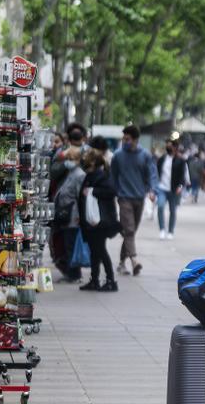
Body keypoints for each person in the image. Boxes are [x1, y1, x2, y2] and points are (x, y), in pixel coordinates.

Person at [111, 125, 158, 276]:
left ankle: (121, 263)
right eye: (124, 139)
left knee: (130, 232)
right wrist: (116, 193)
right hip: (124, 198)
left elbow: (151, 173)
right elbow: (113, 176)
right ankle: (134, 261)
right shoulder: (117, 155)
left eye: (128, 139)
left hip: (139, 197)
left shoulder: (144, 155)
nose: (125, 142)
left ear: (136, 140)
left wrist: (151, 190)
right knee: (129, 230)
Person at [78, 149, 121, 292]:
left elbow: (111, 191)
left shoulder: (101, 176)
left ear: (94, 163)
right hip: (93, 221)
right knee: (95, 251)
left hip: (100, 221)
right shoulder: (93, 175)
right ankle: (95, 279)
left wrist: (92, 191)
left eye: (87, 161)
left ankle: (110, 280)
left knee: (100, 250)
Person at [53, 147, 86, 283]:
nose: (68, 162)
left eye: (71, 159)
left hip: (73, 215)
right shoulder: (71, 172)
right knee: (67, 244)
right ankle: (71, 272)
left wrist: (80, 216)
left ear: (78, 160)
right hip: (66, 213)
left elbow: (80, 197)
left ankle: (74, 274)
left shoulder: (79, 174)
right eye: (67, 159)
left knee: (71, 244)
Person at [156, 136, 189, 239]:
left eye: (170, 145)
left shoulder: (181, 161)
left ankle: (170, 231)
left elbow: (183, 175)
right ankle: (162, 229)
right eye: (167, 145)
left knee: (172, 210)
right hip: (162, 188)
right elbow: (156, 172)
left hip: (174, 189)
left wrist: (180, 186)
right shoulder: (162, 159)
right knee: (160, 206)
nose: (168, 147)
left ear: (175, 148)